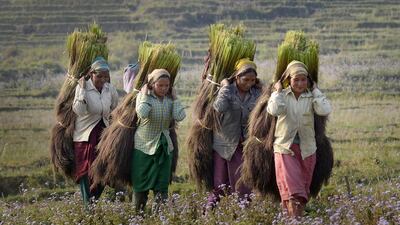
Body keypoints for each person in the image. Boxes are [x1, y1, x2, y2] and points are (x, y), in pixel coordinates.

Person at [267, 60, 332, 217]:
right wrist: (277, 91)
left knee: (302, 192)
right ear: (289, 80)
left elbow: (324, 110)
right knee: (293, 190)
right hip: (285, 149)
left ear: (308, 81)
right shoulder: (282, 96)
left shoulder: (311, 97)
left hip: (307, 150)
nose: (300, 83)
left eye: (303, 79)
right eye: (296, 79)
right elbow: (274, 110)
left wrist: (316, 90)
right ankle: (295, 220)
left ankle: (294, 219)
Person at [206, 58, 262, 209]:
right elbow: (219, 108)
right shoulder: (228, 90)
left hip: (244, 145)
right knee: (219, 184)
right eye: (245, 79)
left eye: (252, 80)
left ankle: (244, 214)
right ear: (237, 77)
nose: (248, 83)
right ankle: (208, 212)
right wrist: (224, 88)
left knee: (244, 184)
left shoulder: (257, 93)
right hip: (224, 144)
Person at [132, 68, 186, 212]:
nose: (163, 88)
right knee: (141, 186)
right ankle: (139, 216)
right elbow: (142, 113)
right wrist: (144, 94)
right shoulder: (144, 98)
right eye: (160, 85)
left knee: (161, 187)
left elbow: (180, 116)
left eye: (166, 86)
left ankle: (159, 216)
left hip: (164, 148)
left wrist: (175, 99)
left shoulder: (169, 101)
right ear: (151, 84)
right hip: (143, 147)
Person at [72, 56, 119, 208]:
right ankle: (88, 206)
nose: (103, 79)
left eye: (106, 76)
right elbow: (78, 110)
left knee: (104, 169)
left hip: (103, 134)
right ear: (91, 74)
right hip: (86, 136)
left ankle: (93, 201)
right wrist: (82, 91)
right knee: (87, 171)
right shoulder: (83, 87)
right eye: (99, 76)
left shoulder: (109, 88)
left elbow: (114, 107)